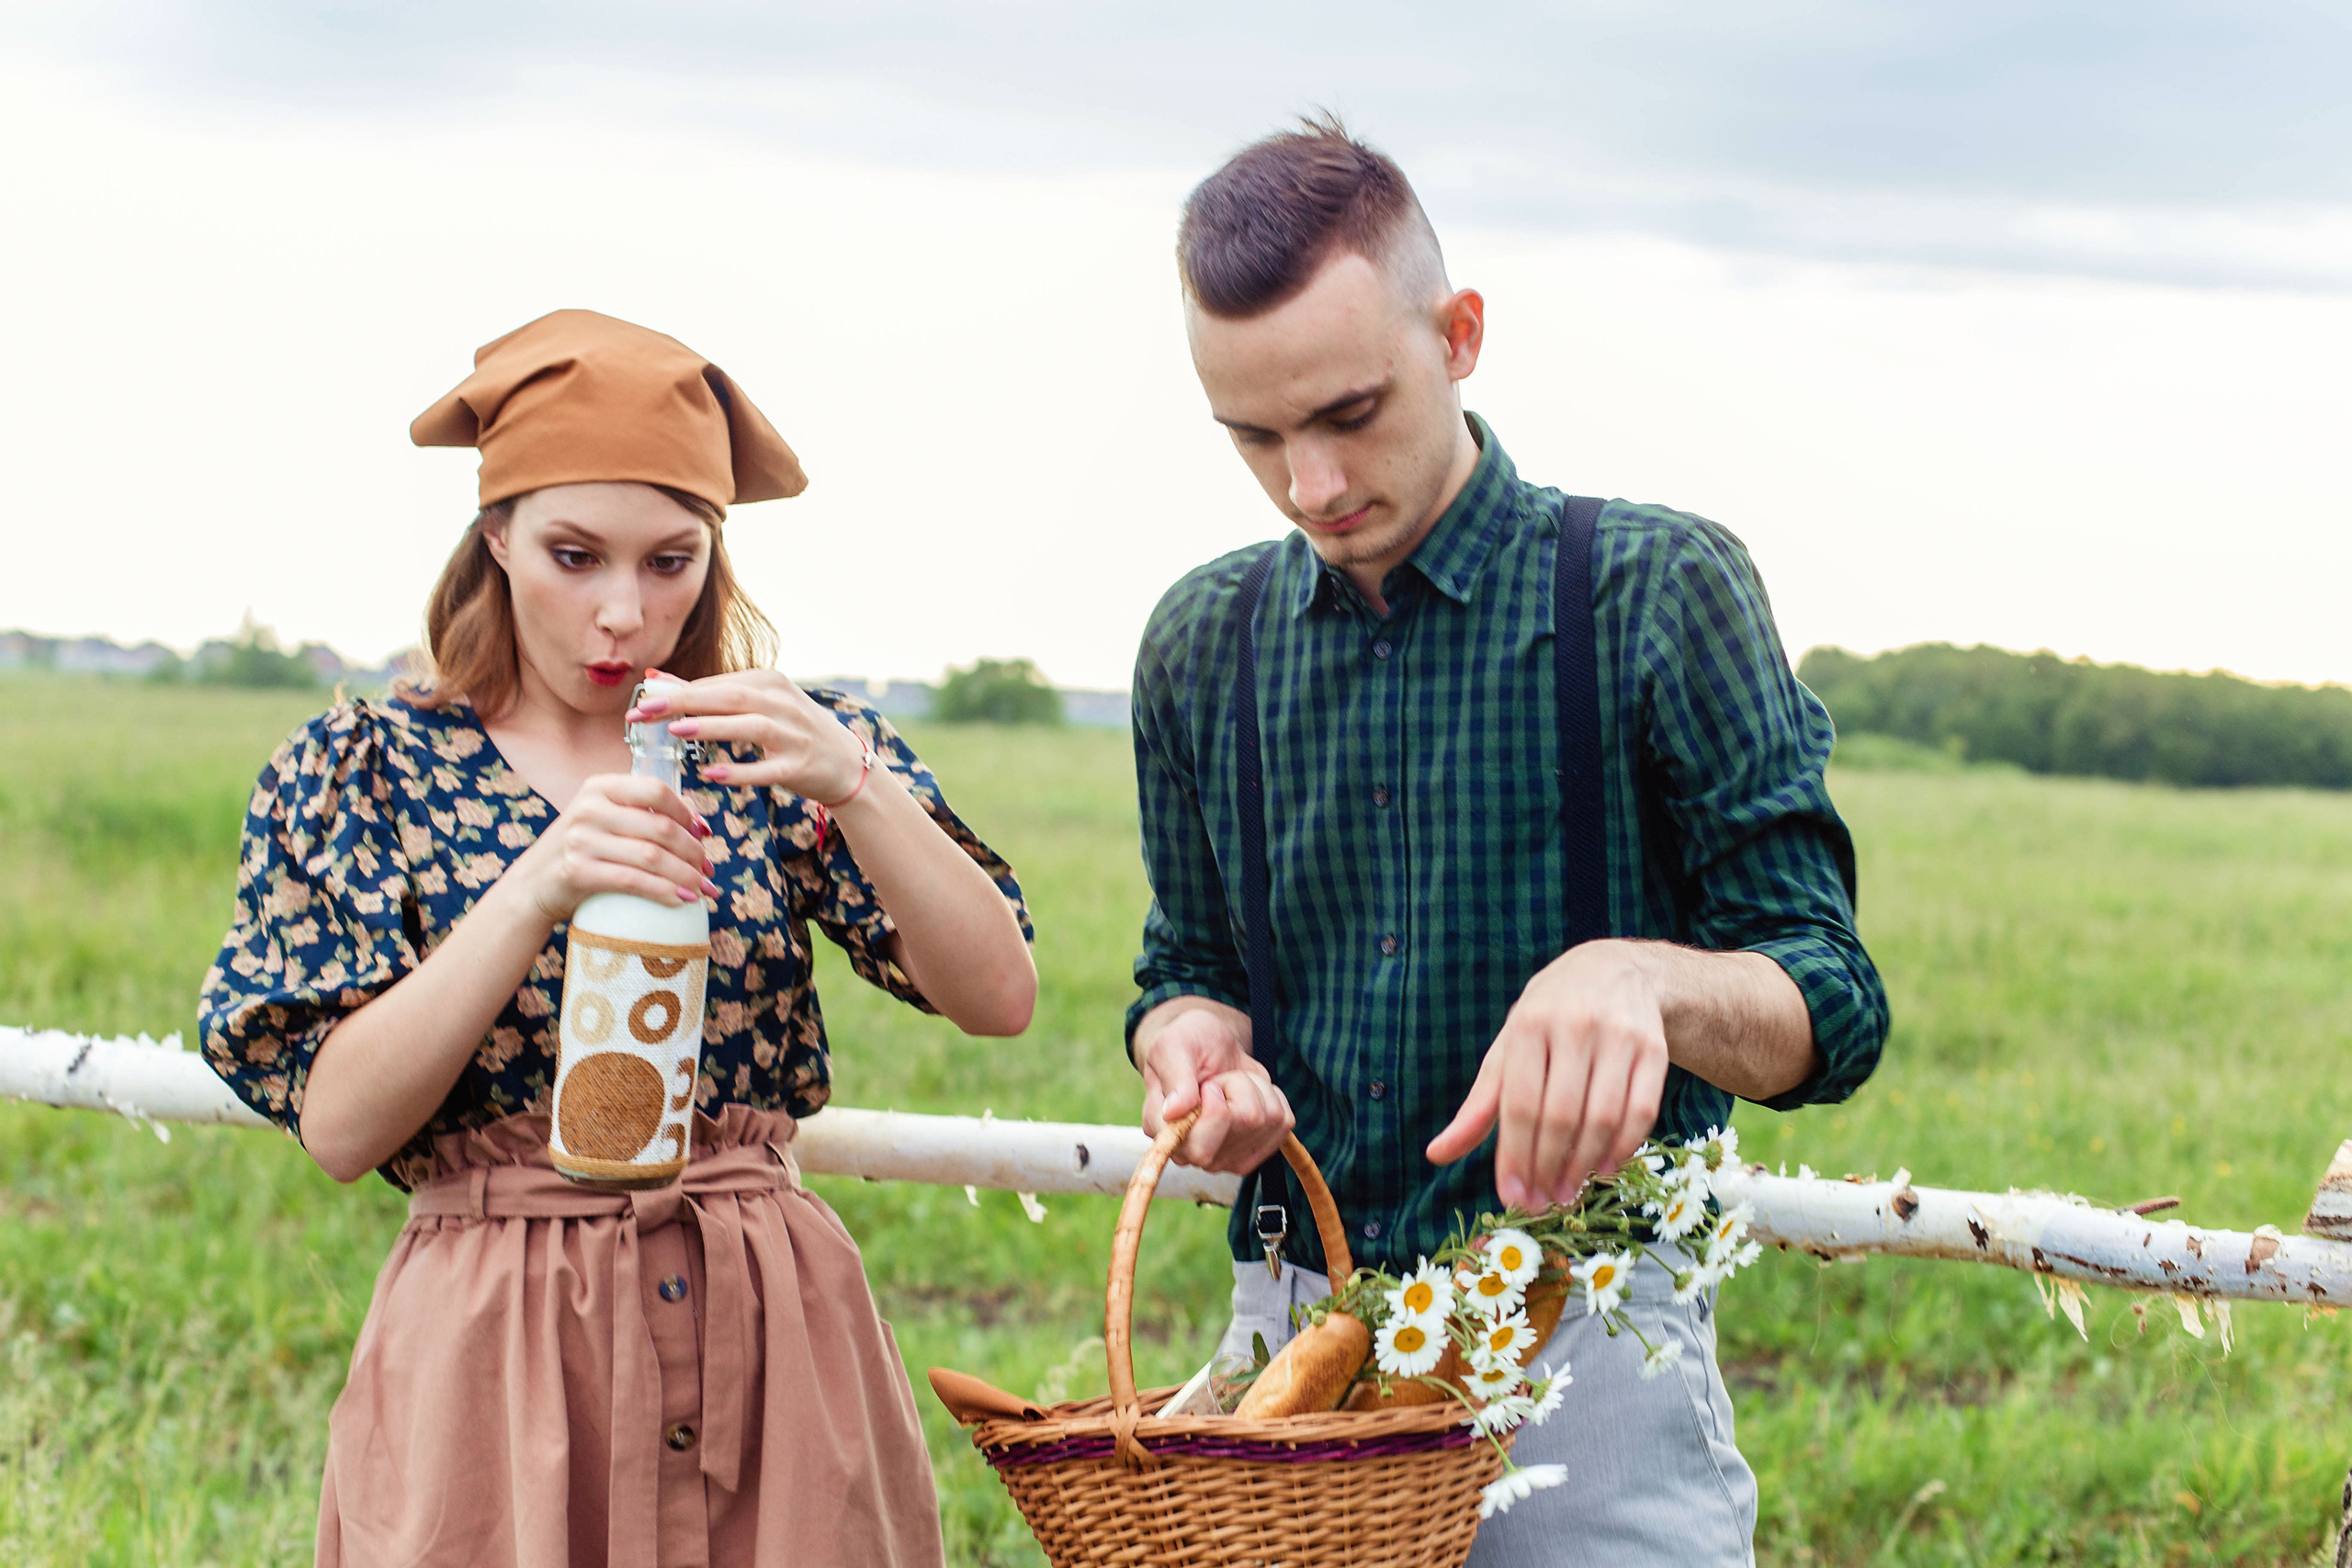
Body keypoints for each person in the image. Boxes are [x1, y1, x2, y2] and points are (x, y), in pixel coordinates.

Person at [1127, 121, 1889, 1563]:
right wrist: (1192, 1043)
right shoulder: (1196, 639)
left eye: (1352, 412)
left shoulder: (1658, 590)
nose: (1310, 484)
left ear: (1460, 335)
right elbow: (1190, 963)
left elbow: (1832, 1008)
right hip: (1299, 1354)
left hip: (1590, 1360)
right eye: (1256, 436)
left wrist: (1645, 980)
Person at [199, 309, 1037, 1568]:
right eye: (575, 555)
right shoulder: (368, 769)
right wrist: (538, 885)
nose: (624, 613)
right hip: (502, 1361)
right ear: (494, 536)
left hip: (772, 1343)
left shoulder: (770, 748)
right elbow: (341, 1126)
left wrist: (855, 783)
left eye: (670, 561)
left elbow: (1000, 997)